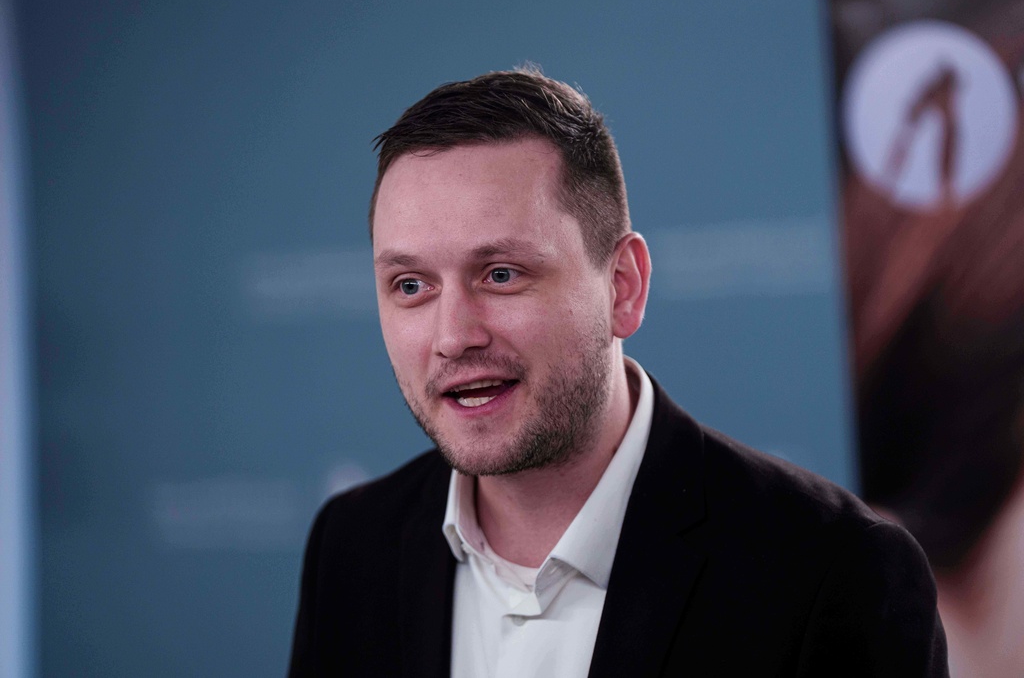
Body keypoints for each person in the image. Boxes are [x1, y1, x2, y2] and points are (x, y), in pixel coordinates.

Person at [288, 67, 948, 677]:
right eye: (410, 285)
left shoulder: (837, 572)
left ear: (623, 287)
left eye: (501, 273)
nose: (454, 335)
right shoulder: (352, 547)